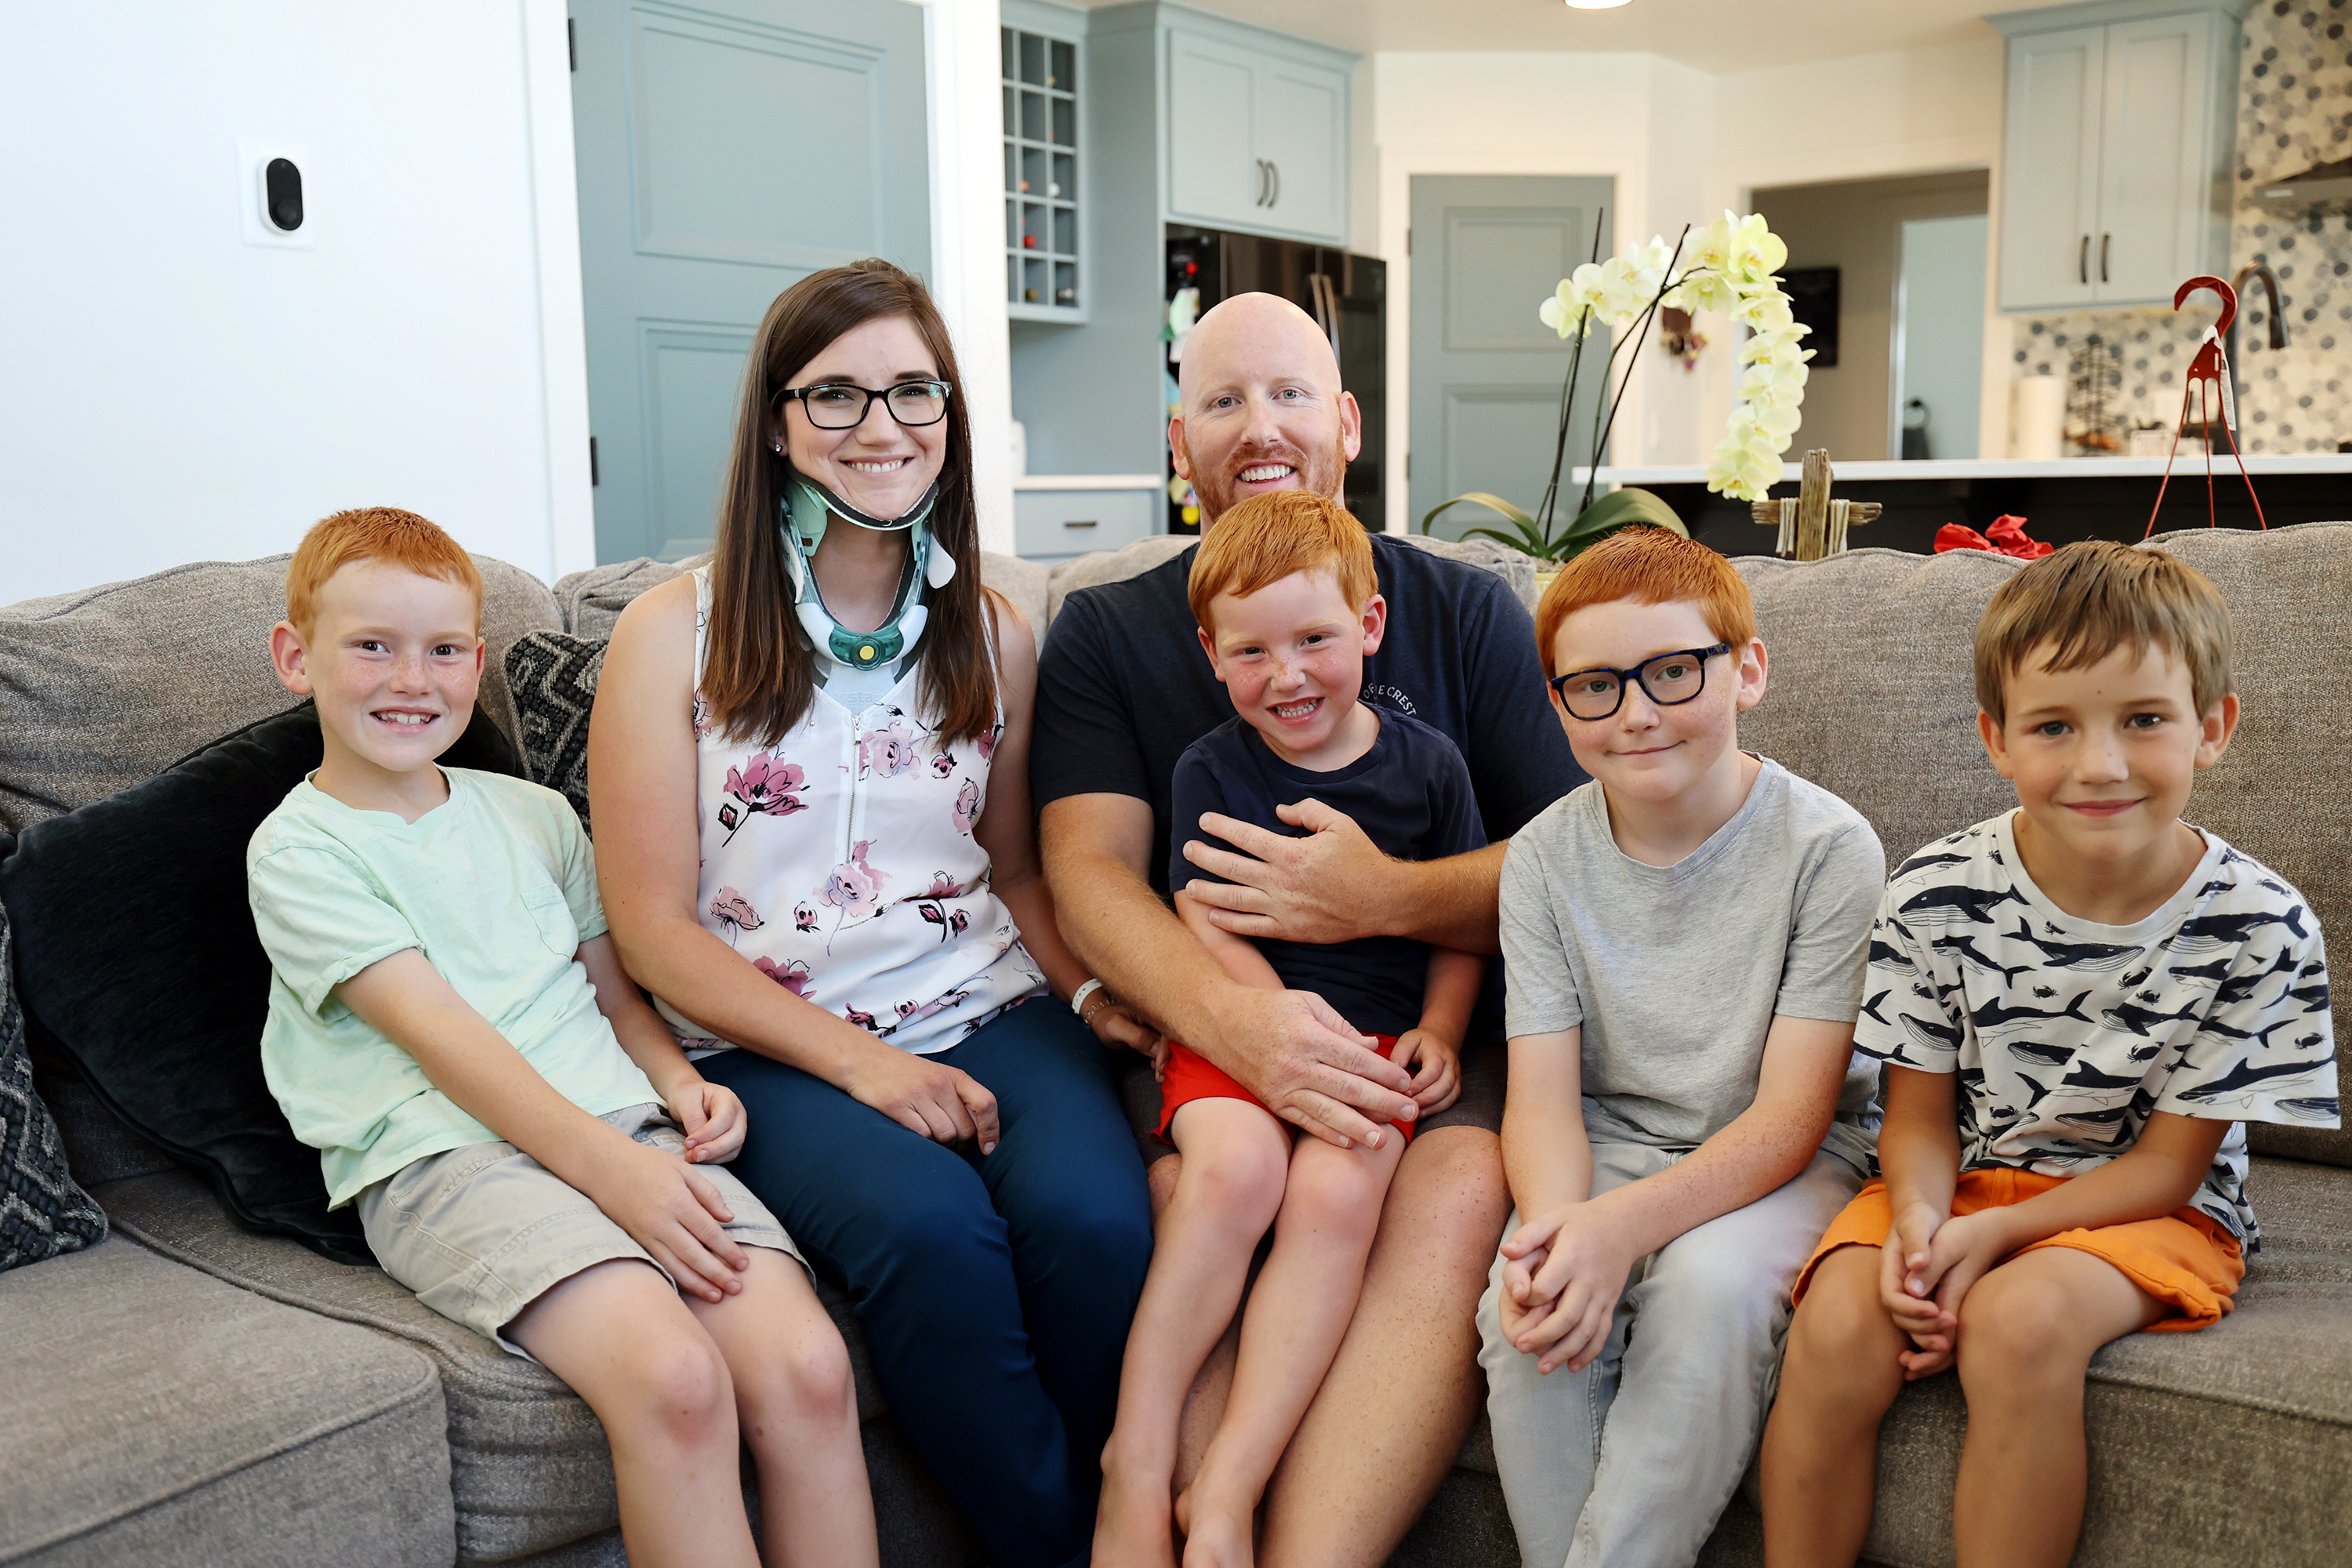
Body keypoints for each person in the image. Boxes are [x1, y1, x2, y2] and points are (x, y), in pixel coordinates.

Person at [586, 259, 1152, 1568]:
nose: (882, 425)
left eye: (913, 391)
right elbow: (653, 926)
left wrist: (1089, 997)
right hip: (772, 1042)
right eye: (835, 396)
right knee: (932, 1236)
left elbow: (1012, 868)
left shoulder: (996, 631)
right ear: (777, 423)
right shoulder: (671, 638)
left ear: (947, 414)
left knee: (1096, 1223)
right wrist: (869, 1069)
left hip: (990, 1004)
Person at [1032, 292, 1581, 1565]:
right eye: (1222, 402)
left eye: (1288, 395)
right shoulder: (1109, 632)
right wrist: (1241, 1022)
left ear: (1345, 424)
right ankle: (1161, 1499)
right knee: (1214, 1185)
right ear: (1181, 443)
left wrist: (1383, 896)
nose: (1258, 427)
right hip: (1205, 1028)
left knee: (1449, 1196)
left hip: (1417, 1043)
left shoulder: (1464, 611)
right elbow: (1090, 875)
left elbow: (1573, 867)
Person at [247, 508, 872, 1568]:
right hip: (447, 1156)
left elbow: (618, 1002)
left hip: (624, 1124)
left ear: (478, 664)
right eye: (372, 647)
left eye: (443, 649)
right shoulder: (298, 851)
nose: (413, 679)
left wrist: (678, 1086)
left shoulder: (536, 817)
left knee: (809, 1365)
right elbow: (447, 1044)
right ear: (296, 658)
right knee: (674, 1380)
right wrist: (619, 1180)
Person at [1759, 540, 2336, 1568]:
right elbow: (1919, 1120)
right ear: (1997, 738)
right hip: (1958, 1179)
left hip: (2155, 1207)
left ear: (2214, 728)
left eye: (2144, 721)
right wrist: (1929, 1230)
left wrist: (1998, 1243)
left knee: (2021, 1322)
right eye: (2055, 727)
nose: (2099, 764)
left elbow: (2170, 1167)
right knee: (1840, 1327)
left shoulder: (2261, 924)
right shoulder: (1932, 894)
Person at [1476, 527, 1883, 1568]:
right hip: (1609, 1143)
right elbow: (1542, 1103)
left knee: (1706, 1296)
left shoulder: (1829, 848)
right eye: (1595, 687)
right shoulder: (1539, 858)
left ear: (1746, 669)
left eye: (1672, 671)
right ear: (1558, 703)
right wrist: (1568, 1232)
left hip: (1788, 1158)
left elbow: (1795, 1118)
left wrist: (1625, 1233)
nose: (1638, 714)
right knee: (1524, 1309)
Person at [1094, 490, 1486, 1568]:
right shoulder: (1211, 768)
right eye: (1252, 652)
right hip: (1241, 1029)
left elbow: (1459, 928)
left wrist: (1443, 1031)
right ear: (1213, 658)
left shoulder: (1429, 767)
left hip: (1371, 1051)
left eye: (1315, 638)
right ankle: (1135, 1456)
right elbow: (1198, 913)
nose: (1289, 676)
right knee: (1230, 1176)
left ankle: (1226, 1485)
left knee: (1334, 1191)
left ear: (1369, 627)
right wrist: (1267, 1019)